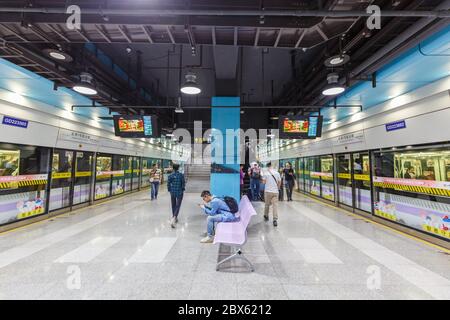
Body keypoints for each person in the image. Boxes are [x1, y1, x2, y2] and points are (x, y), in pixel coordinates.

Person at [261, 162, 281, 227]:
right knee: (275, 205)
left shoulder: (265, 173)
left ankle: (266, 215)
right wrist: (277, 188)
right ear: (272, 166)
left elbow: (264, 182)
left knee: (267, 204)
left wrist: (263, 180)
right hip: (275, 192)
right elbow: (279, 182)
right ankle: (275, 220)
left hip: (267, 191)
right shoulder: (277, 173)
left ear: (267, 167)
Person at [167, 163, 185, 228]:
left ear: (173, 168)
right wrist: (182, 189)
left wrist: (170, 190)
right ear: (178, 168)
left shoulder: (170, 175)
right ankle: (174, 218)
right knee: (178, 205)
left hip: (173, 192)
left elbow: (168, 184)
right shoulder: (181, 175)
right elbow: (183, 184)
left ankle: (174, 217)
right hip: (179, 192)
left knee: (173, 205)